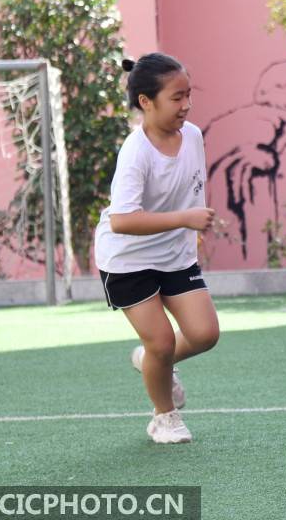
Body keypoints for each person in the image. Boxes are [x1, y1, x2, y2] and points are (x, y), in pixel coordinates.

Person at [94, 53, 220, 444]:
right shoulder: (136, 152)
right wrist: (185, 219)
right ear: (146, 102)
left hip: (174, 255)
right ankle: (164, 417)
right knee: (162, 341)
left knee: (204, 334)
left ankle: (152, 361)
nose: (186, 105)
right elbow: (122, 220)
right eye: (176, 98)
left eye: (188, 95)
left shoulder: (193, 135)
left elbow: (190, 187)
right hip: (127, 260)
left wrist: (193, 228)